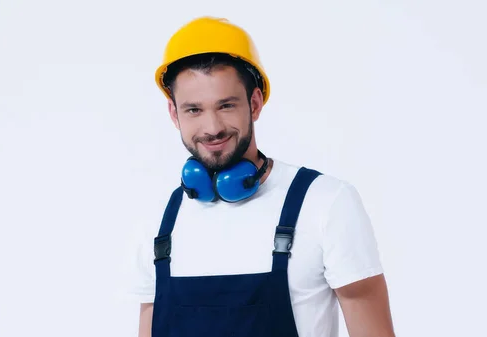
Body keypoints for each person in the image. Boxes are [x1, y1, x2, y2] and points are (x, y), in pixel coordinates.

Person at [130, 16, 396, 337]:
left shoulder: (325, 203)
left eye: (226, 105)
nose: (212, 127)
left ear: (254, 104)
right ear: (174, 114)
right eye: (194, 110)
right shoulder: (160, 221)